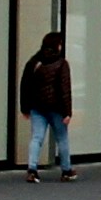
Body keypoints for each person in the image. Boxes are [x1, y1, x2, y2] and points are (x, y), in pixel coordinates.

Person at [18, 32, 76, 181]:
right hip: (56, 108)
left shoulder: (34, 62)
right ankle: (66, 170)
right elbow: (65, 89)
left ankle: (32, 169)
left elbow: (25, 85)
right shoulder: (62, 64)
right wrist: (67, 112)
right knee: (62, 138)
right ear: (57, 45)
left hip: (37, 107)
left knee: (36, 138)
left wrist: (24, 107)